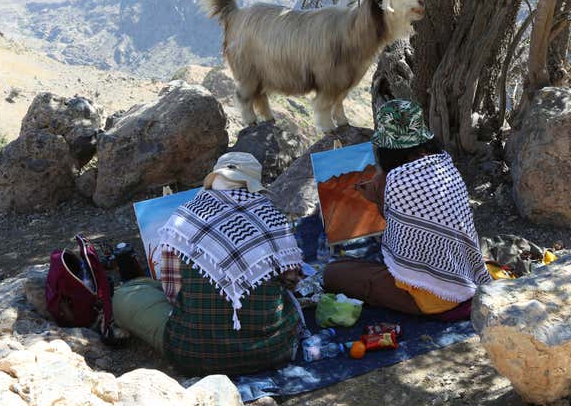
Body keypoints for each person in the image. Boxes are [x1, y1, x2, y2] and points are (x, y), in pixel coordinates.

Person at [112, 152, 303, 375]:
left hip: (192, 355)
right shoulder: (275, 219)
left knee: (125, 296)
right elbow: (292, 281)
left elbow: (172, 294)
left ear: (214, 179)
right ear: (253, 184)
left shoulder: (183, 219)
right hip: (273, 350)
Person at [323, 99, 494, 316]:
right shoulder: (444, 163)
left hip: (430, 298)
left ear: (387, 149)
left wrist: (375, 198)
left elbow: (396, 235)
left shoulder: (397, 180)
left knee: (332, 273)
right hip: (465, 275)